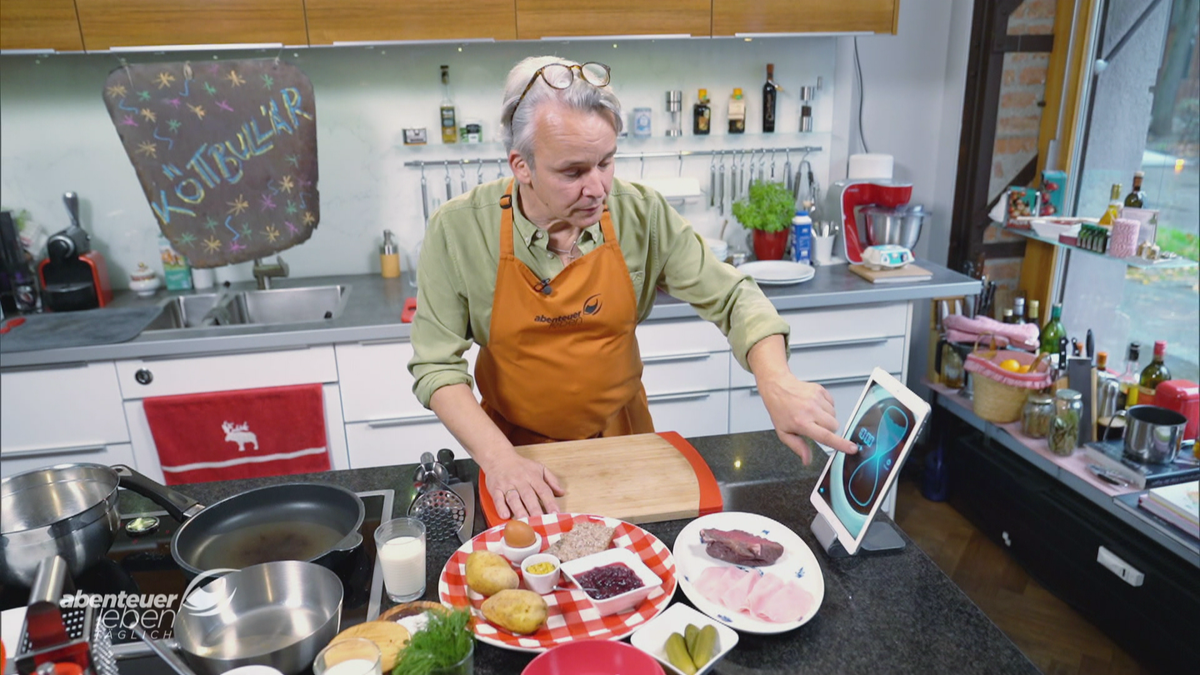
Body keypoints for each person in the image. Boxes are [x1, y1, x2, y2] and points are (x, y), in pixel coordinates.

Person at [409, 56, 857, 520]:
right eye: (573, 172)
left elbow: (732, 296)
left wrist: (776, 379)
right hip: (514, 450)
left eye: (606, 162)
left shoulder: (641, 214)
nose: (598, 188)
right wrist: (498, 459)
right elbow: (435, 365)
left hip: (624, 441)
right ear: (522, 167)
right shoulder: (460, 229)